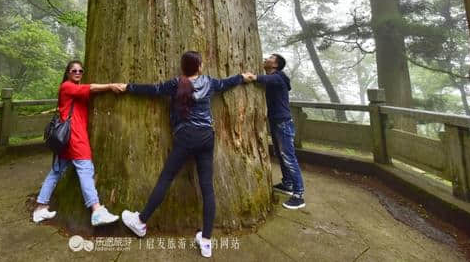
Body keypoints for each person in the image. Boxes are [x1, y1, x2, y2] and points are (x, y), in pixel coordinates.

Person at [116, 51, 253, 258]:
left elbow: (153, 90)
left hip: (186, 136)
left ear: (183, 67)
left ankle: (141, 222)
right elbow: (226, 83)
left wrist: (128, 87)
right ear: (199, 66)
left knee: (167, 178)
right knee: (207, 187)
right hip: (207, 136)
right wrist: (242, 77)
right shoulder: (209, 82)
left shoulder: (176, 84)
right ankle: (206, 240)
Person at [33, 60, 122, 226]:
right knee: (86, 169)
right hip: (74, 137)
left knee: (56, 172)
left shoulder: (75, 89)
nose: (77, 73)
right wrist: (110, 85)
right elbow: (91, 88)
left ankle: (40, 208)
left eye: (80, 70)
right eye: (74, 70)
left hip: (66, 140)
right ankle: (96, 211)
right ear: (68, 73)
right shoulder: (67, 86)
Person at [244, 54, 305, 210]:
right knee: (281, 155)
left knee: (289, 158)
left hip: (283, 123)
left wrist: (250, 76)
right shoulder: (275, 78)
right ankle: (288, 184)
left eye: (270, 58)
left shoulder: (278, 77)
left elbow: (265, 80)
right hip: (277, 123)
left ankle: (298, 195)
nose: (266, 58)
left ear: (275, 65)